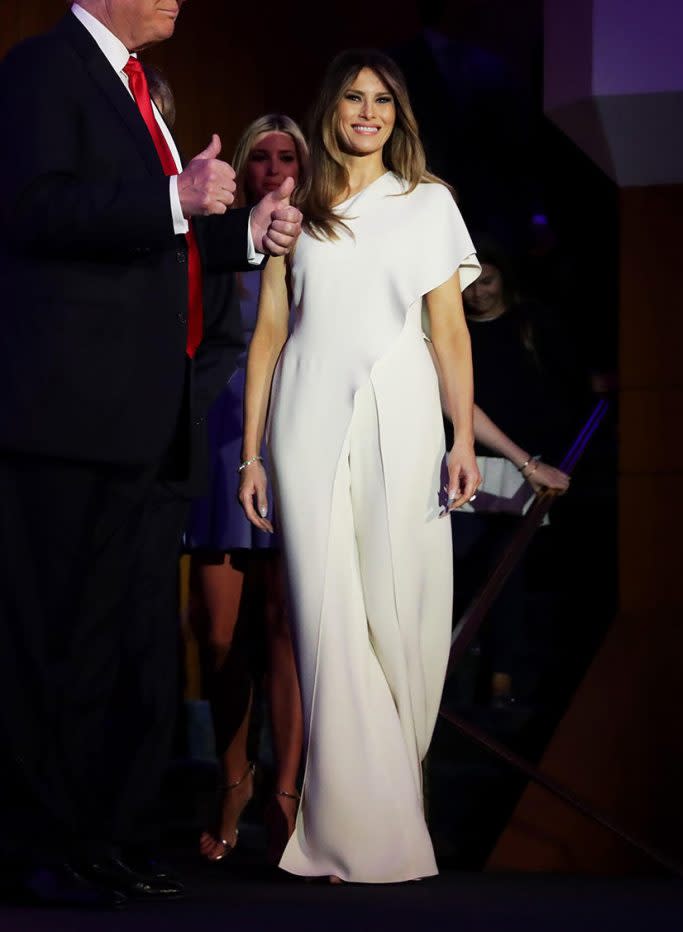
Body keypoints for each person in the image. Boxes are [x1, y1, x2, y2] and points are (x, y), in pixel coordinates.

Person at [0, 0, 301, 909]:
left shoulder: (137, 91)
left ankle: (109, 837)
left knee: (125, 646)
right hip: (64, 418)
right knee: (45, 641)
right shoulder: (44, 71)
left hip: (144, 422)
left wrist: (238, 235)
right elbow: (32, 208)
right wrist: (173, 198)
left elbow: (150, 241)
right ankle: (30, 844)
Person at [239, 48, 482, 884]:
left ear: (398, 115)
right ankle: (346, 833)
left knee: (397, 614)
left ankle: (391, 809)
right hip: (304, 415)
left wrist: (461, 437)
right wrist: (249, 453)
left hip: (403, 412)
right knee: (324, 619)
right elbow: (269, 334)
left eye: (382, 100)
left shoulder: (428, 203)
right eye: (354, 98)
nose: (368, 112)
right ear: (332, 110)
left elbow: (449, 330)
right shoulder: (295, 206)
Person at [187, 115, 307, 864]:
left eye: (285, 156)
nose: (270, 168)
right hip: (221, 446)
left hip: (296, 443)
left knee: (289, 632)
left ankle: (287, 791)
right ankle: (234, 778)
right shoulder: (223, 242)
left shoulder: (323, 242)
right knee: (220, 633)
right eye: (258, 157)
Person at [450, 238, 577, 710]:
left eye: (488, 281)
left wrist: (541, 458)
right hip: (468, 462)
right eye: (470, 285)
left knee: (507, 568)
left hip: (521, 464)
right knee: (464, 564)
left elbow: (558, 388)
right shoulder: (454, 330)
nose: (479, 293)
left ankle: (501, 672)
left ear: (504, 278)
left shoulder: (529, 324)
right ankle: (460, 663)